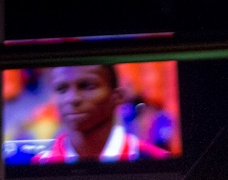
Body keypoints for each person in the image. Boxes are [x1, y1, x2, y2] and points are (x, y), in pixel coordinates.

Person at [30, 65, 169, 163]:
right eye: (62, 89)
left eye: (87, 86)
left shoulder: (158, 161)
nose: (72, 99)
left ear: (117, 97)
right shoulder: (37, 165)